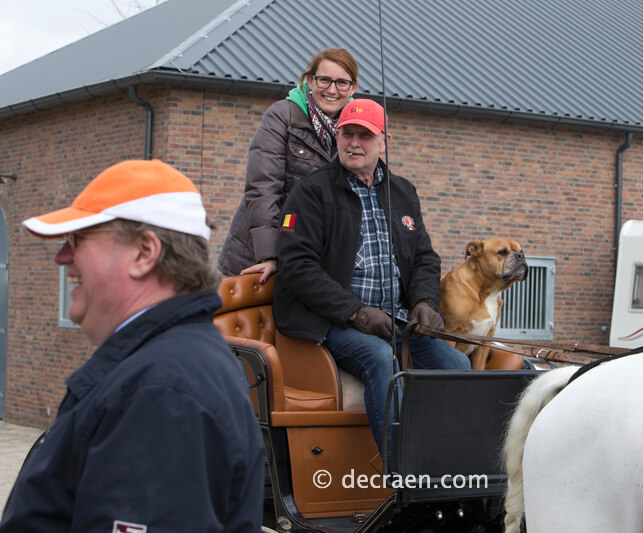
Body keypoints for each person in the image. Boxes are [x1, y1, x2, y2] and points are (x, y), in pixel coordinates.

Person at [1, 160, 264, 532]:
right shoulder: (168, 370)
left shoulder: (161, 392)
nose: (62, 257)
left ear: (144, 252)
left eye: (77, 239)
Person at [274, 99, 471, 462]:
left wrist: (424, 301)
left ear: (384, 141)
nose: (354, 143)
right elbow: (297, 266)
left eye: (364, 135)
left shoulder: (403, 192)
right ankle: (403, 474)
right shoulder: (312, 191)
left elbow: (424, 258)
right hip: (329, 319)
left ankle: (449, 464)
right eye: (347, 133)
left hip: (393, 318)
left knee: (457, 366)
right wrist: (356, 312)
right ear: (337, 137)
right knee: (380, 358)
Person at [218, 47, 359, 282]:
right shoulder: (282, 116)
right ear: (309, 80)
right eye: (324, 80)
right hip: (260, 257)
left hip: (310, 261)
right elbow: (262, 187)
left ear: (353, 87)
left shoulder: (355, 129)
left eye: (342, 83)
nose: (332, 90)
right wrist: (269, 254)